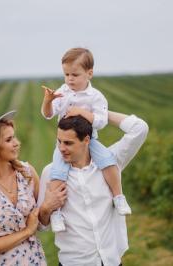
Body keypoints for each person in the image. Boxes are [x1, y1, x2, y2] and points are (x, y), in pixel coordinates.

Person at [37, 110, 149, 266]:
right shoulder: (50, 173)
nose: (61, 148)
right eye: (59, 141)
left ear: (87, 140)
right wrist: (47, 207)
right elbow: (41, 226)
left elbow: (140, 128)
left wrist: (95, 115)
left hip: (111, 261)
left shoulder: (110, 162)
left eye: (68, 143)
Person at [41, 47, 131, 232]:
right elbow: (48, 115)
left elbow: (101, 121)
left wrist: (82, 112)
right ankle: (56, 213)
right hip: (66, 139)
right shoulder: (63, 91)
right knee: (57, 171)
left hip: (90, 139)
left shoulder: (96, 97)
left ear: (89, 73)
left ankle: (118, 197)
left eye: (75, 74)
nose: (70, 79)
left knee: (108, 161)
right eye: (66, 74)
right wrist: (48, 101)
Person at [0, 110, 67, 265]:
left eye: (14, 137)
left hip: (34, 260)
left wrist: (47, 207)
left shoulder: (27, 173)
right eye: (9, 139)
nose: (16, 143)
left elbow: (41, 223)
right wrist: (26, 232)